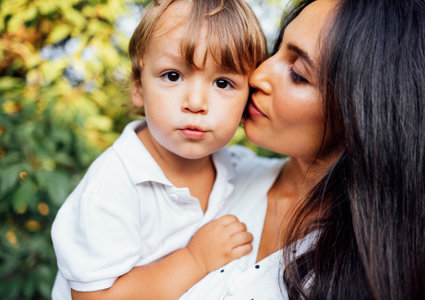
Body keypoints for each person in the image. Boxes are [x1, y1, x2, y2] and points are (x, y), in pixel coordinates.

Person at [181, 0, 425, 299]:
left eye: (297, 73)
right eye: (277, 49)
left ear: (364, 114)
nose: (256, 76)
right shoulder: (211, 179)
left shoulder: (383, 272)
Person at [50, 0, 267, 299]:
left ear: (248, 100)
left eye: (222, 82)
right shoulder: (113, 186)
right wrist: (195, 259)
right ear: (138, 85)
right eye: (173, 76)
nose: (196, 102)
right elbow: (91, 297)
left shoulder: (239, 167)